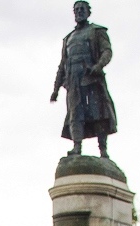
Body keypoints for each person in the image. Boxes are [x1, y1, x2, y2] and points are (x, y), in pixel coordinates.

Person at [50, 1, 117, 158]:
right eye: (76, 10)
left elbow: (107, 51)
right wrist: (55, 89)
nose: (79, 12)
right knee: (75, 114)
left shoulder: (96, 31)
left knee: (98, 112)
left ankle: (103, 150)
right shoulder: (68, 39)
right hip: (73, 81)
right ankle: (77, 146)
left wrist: (99, 66)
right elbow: (62, 65)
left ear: (88, 12)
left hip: (91, 78)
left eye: (82, 9)